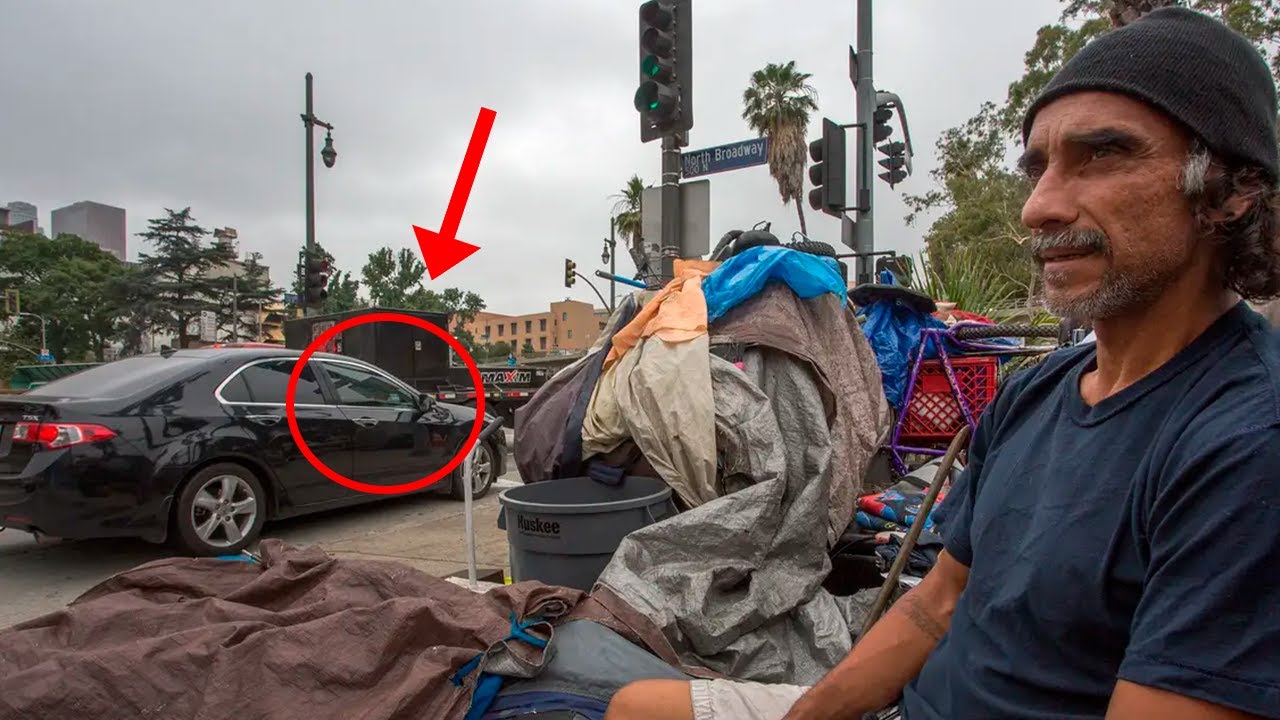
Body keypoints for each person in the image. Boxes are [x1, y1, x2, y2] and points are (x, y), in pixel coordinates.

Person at [604, 8, 1280, 720]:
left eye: (1103, 155)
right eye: (1038, 167)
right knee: (638, 706)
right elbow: (938, 602)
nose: (1039, 207)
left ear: (1230, 192)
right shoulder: (1038, 394)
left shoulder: (1245, 444)